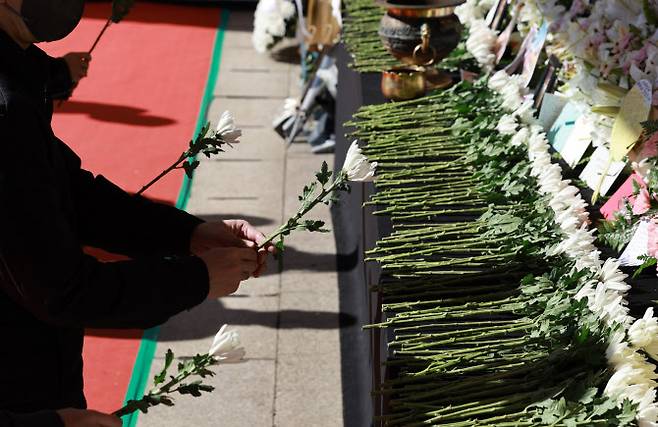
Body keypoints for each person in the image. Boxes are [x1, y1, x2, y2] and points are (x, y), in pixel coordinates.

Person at [0, 0, 273, 425]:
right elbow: (60, 289)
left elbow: (71, 193)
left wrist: (188, 234)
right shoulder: (6, 108)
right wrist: (194, 278)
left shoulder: (19, 70)